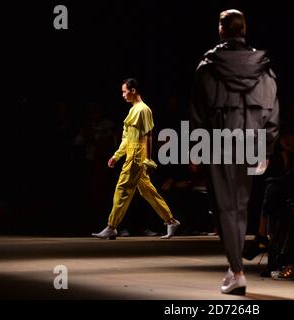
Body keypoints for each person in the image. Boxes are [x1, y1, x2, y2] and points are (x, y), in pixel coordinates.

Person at [189, 9, 279, 295]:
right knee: (238, 206)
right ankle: (234, 268)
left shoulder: (209, 66)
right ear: (244, 30)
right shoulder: (263, 67)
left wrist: (195, 146)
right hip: (252, 141)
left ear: (221, 30)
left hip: (220, 141)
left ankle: (237, 270)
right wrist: (266, 146)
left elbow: (198, 111)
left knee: (225, 207)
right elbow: (273, 110)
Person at [92, 78, 180, 240]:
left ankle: (112, 226)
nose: (123, 95)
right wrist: (116, 155)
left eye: (125, 91)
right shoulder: (134, 110)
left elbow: (148, 136)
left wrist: (147, 159)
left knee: (122, 188)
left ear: (133, 91)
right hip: (133, 153)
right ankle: (171, 220)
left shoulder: (143, 110)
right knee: (147, 191)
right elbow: (127, 138)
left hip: (137, 156)